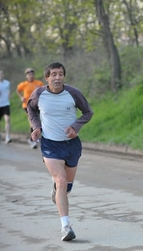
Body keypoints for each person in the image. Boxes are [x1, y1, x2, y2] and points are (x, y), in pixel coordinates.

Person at [27, 62, 94, 241]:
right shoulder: (39, 94)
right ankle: (66, 227)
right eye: (54, 74)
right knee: (62, 180)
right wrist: (36, 127)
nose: (57, 78)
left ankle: (57, 191)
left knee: (66, 188)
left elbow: (88, 112)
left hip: (72, 145)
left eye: (60, 74)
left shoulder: (73, 93)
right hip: (50, 145)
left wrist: (75, 126)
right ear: (47, 78)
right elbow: (31, 110)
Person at [16, 68, 44, 149]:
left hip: (37, 105)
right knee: (32, 122)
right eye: (29, 74)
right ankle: (33, 140)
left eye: (32, 74)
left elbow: (44, 91)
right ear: (26, 76)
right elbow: (18, 90)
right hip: (27, 106)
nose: (31, 76)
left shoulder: (38, 83)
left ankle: (33, 139)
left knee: (38, 122)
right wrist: (21, 97)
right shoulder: (23, 84)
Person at [0, 70, 12, 143]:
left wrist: (9, 94)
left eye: (1, 74)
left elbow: (8, 91)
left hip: (6, 104)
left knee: (7, 120)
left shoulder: (7, 83)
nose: (1, 75)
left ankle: (7, 136)